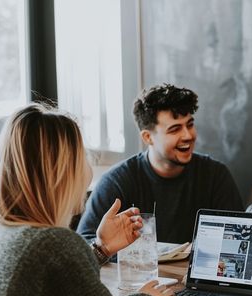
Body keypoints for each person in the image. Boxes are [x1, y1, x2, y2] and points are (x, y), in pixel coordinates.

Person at [0, 104, 174, 296]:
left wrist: (100, 249)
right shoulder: (54, 244)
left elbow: (53, 283)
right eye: (83, 157)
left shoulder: (2, 232)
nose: (87, 169)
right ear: (62, 171)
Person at [77, 83, 243, 244]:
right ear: (148, 137)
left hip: (193, 272)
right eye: (175, 129)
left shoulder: (215, 175)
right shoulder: (117, 181)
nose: (188, 135)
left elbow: (239, 238)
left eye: (190, 125)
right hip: (140, 271)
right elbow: (85, 244)